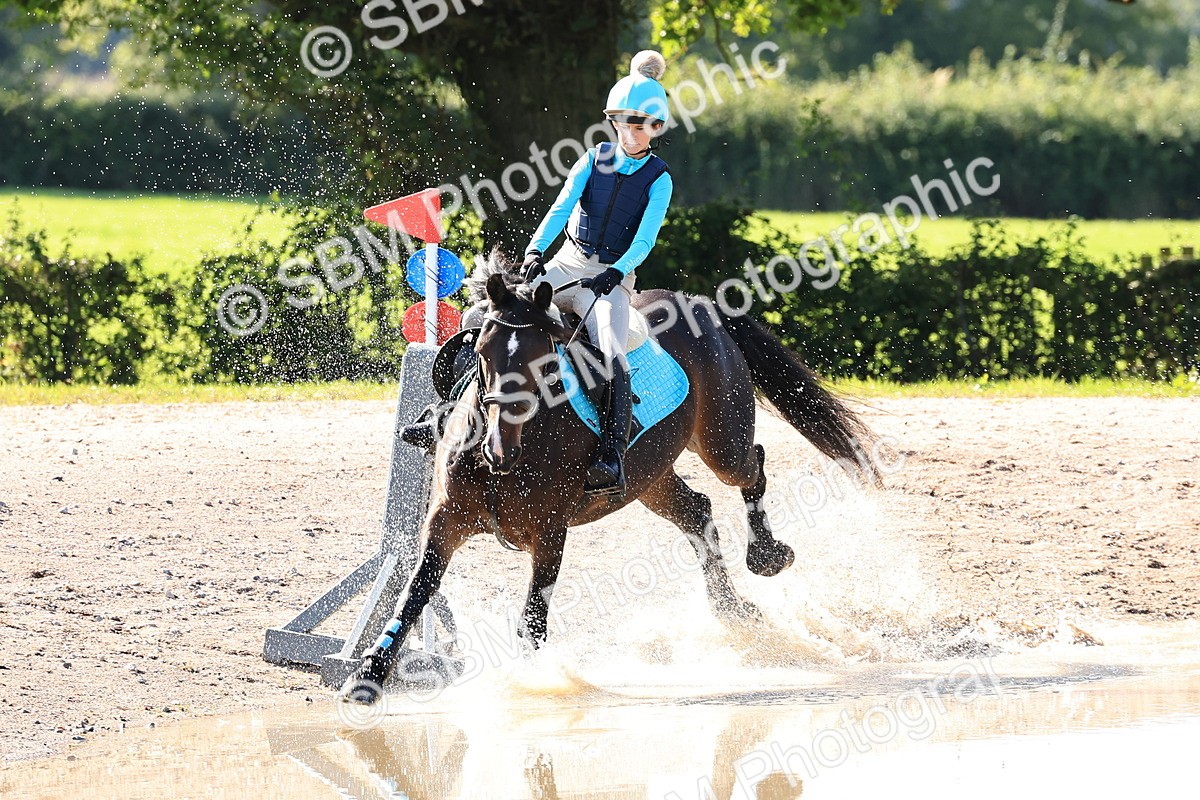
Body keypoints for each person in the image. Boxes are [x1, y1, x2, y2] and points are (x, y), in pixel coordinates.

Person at [522, 50, 675, 500]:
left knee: (610, 349)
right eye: (622, 121)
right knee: (501, 312)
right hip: (566, 263)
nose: (628, 130)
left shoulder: (659, 179)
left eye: (638, 123)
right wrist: (535, 252)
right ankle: (448, 408)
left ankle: (611, 453)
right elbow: (561, 208)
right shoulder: (592, 159)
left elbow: (645, 241)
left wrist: (618, 273)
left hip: (610, 277)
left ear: (656, 128)